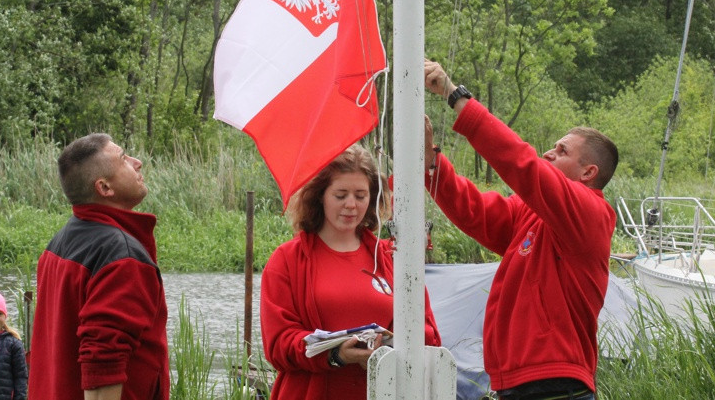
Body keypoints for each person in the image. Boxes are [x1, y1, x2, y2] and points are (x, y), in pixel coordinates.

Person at [423, 59, 618, 400]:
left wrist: (456, 96)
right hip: (516, 384)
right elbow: (475, 212)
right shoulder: (532, 214)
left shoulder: (591, 214)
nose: (549, 152)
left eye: (562, 151)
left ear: (589, 173)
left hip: (556, 383)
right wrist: (430, 161)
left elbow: (521, 163)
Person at [260, 144, 442, 400]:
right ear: (320, 195)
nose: (351, 205)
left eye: (360, 195)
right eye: (340, 195)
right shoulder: (287, 260)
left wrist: (391, 344)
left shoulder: (393, 258)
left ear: (373, 198)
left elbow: (430, 335)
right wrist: (335, 355)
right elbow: (278, 344)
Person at [28, 133, 169, 400]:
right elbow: (103, 362)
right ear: (104, 188)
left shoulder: (57, 244)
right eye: (123, 158)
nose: (137, 162)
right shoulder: (121, 257)